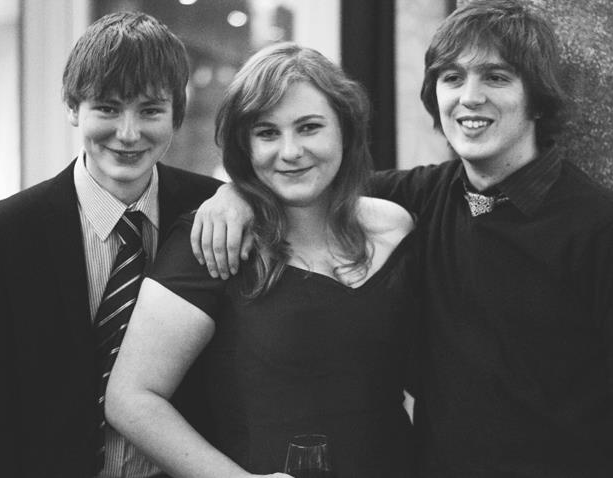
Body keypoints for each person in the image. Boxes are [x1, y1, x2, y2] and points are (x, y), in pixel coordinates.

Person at [189, 1, 613, 477]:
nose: (470, 97)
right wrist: (238, 194)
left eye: (496, 77)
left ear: (536, 98)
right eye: (452, 77)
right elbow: (314, 183)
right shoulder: (425, 197)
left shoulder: (612, 237)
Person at [105, 42, 418, 478]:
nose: (290, 151)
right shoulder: (213, 241)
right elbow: (131, 398)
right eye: (267, 133)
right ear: (245, 146)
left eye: (309, 128)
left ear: (345, 130)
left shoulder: (395, 228)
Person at [0, 12, 222, 478]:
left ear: (177, 114)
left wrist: (244, 198)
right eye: (107, 108)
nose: (128, 133)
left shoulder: (214, 212)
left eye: (150, 110)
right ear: (72, 107)